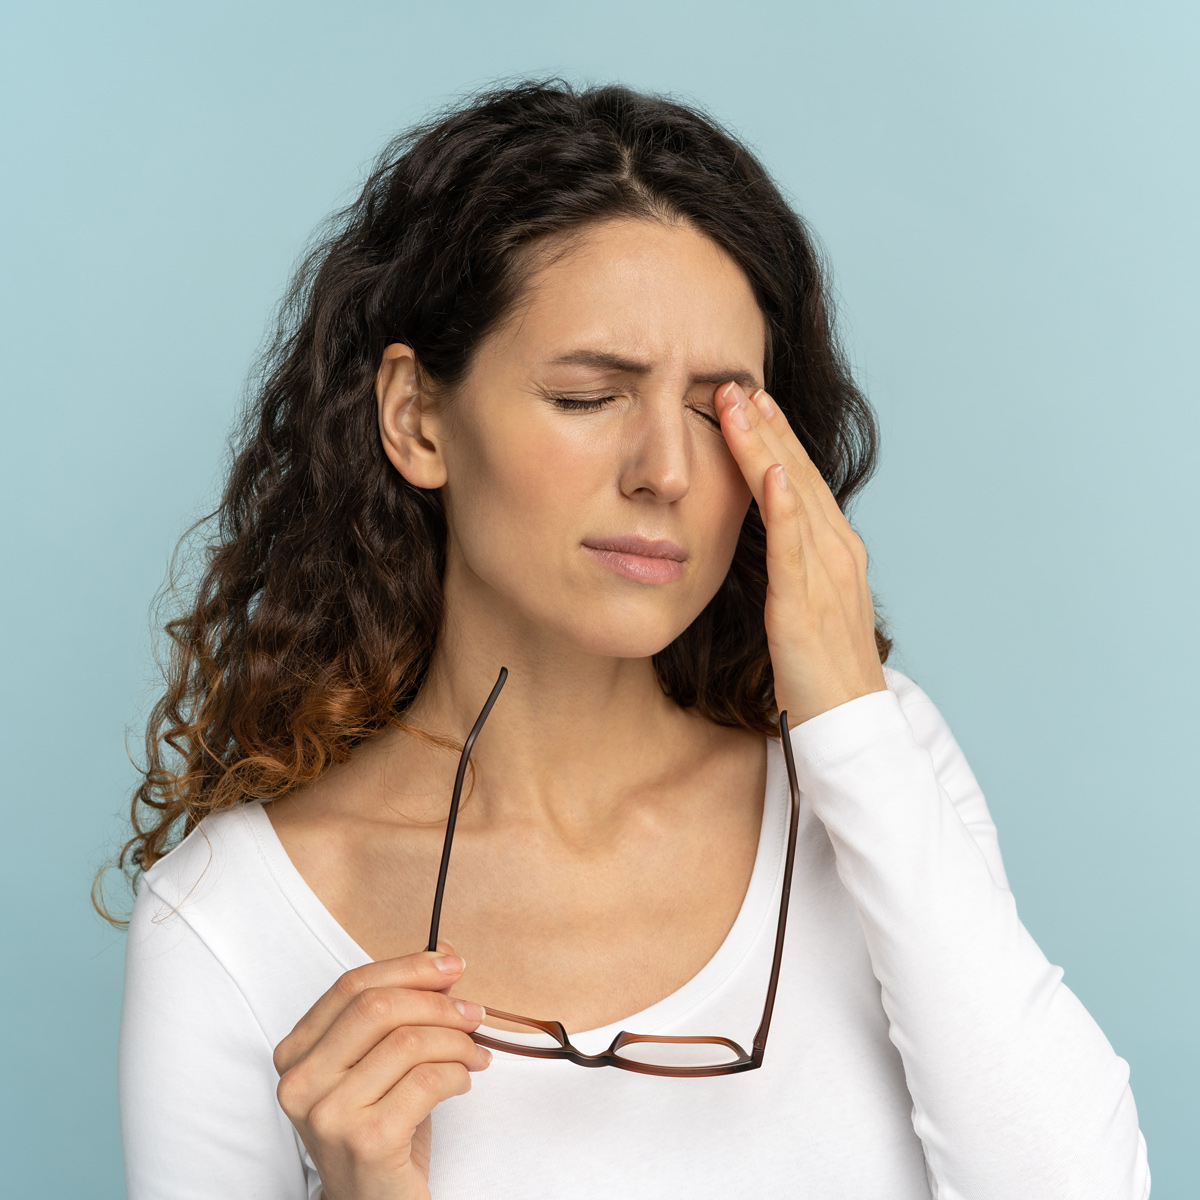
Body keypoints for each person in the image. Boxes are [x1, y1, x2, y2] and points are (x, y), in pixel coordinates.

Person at [110, 81, 1150, 1199]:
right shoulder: (227, 924)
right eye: (586, 396)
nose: (667, 471)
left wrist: (852, 719)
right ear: (416, 418)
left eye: (717, 407)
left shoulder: (877, 759)